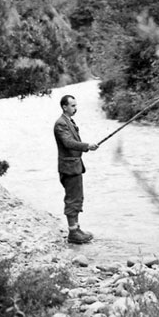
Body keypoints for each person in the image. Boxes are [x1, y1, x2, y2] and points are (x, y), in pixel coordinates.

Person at [53, 94, 99, 244]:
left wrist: (86, 147)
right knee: (72, 199)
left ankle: (76, 228)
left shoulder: (69, 121)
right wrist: (87, 146)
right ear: (64, 107)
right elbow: (68, 143)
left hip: (75, 166)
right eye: (72, 106)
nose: (75, 108)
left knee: (77, 198)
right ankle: (73, 233)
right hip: (69, 167)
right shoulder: (60, 124)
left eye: (76, 105)